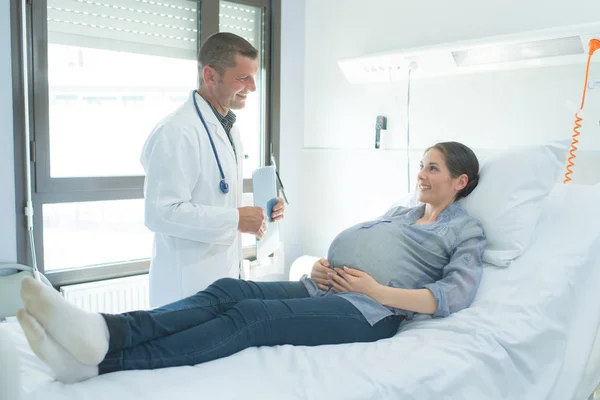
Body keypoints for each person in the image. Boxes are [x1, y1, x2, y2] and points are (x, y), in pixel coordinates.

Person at [16, 142, 486, 384]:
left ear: (459, 180)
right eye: (422, 165)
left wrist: (374, 291)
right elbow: (364, 250)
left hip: (371, 313)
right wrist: (322, 268)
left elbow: (452, 297)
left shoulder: (465, 231)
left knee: (251, 317)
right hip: (325, 287)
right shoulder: (403, 211)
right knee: (229, 289)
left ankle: (106, 364)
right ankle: (108, 330)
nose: (420, 175)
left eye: (432, 168)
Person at [140, 32, 285, 308]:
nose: (253, 87)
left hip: (224, 276)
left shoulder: (229, 128)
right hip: (186, 286)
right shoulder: (177, 131)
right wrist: (235, 219)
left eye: (254, 76)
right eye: (243, 78)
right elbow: (159, 213)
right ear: (210, 76)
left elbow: (217, 196)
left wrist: (261, 212)